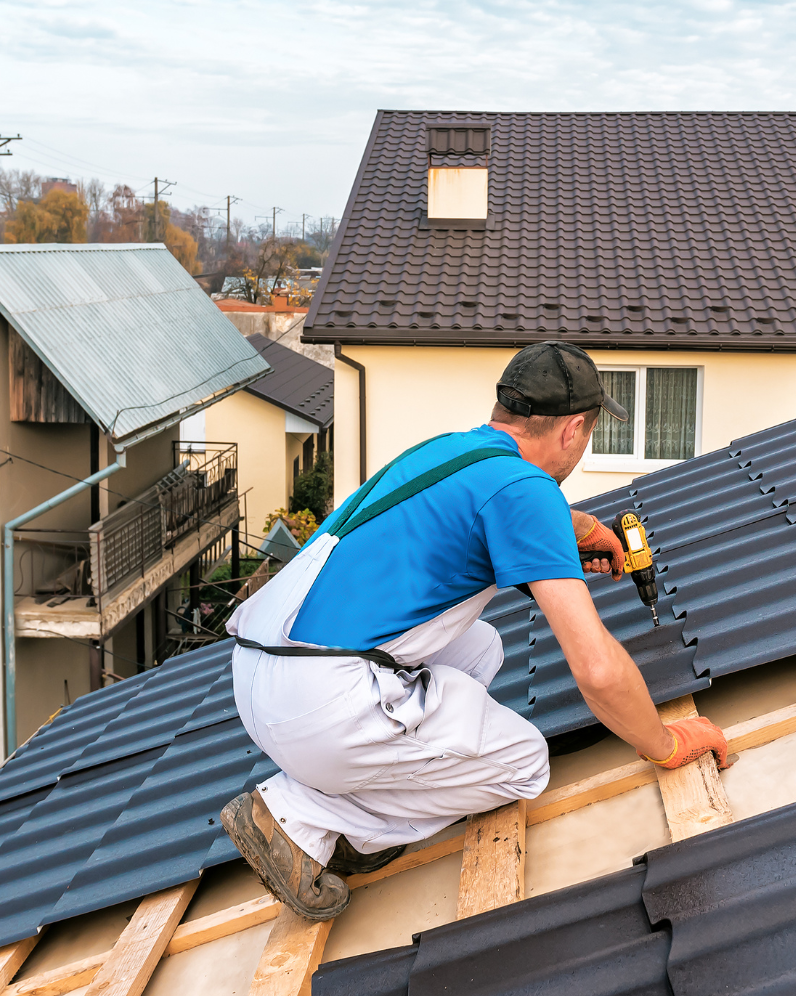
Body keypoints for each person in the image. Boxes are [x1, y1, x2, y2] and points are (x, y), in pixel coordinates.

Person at [221, 341, 732, 919]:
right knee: (523, 763)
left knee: (482, 645)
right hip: (318, 705)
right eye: (589, 434)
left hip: (261, 671)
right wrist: (666, 745)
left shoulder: (451, 451)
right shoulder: (526, 490)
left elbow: (495, 510)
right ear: (572, 430)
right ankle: (302, 817)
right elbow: (595, 669)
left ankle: (356, 791)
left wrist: (580, 527)